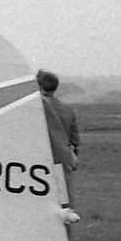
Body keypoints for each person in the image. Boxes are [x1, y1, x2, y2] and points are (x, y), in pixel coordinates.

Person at [37, 69, 80, 216]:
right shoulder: (68, 110)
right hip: (62, 163)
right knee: (63, 206)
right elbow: (74, 141)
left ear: (39, 86)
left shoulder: (37, 107)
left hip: (39, 162)